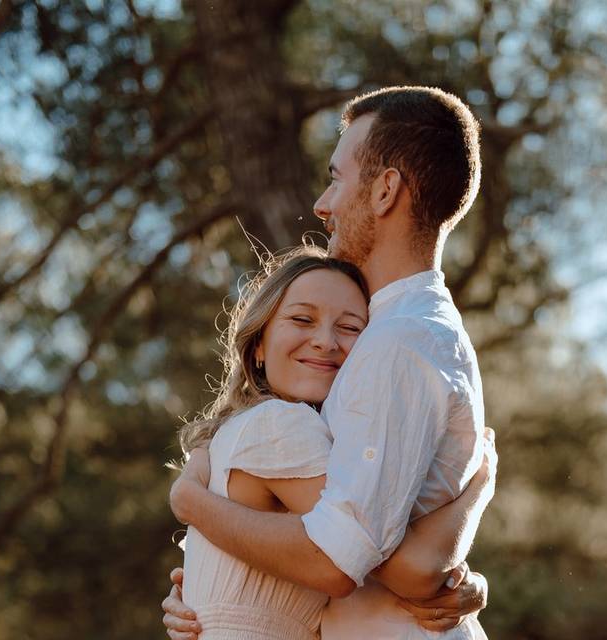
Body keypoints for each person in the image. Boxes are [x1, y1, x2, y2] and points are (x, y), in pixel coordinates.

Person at [165, 85, 492, 638]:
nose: (322, 203)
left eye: (337, 178)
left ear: (386, 190)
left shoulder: (397, 342)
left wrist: (189, 502)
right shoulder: (400, 332)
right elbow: (380, 527)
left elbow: (338, 558)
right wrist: (212, 597)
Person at [169, 245, 496, 639]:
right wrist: (480, 486)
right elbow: (406, 571)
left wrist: (469, 584)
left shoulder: (236, 431)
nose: (325, 341)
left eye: (350, 328)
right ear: (258, 345)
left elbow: (376, 553)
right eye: (302, 319)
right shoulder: (282, 424)